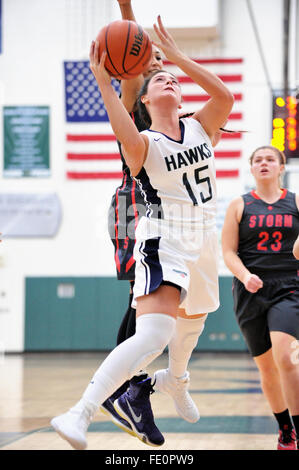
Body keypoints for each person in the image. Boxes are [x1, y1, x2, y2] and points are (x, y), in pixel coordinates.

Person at [51, 15, 234, 450]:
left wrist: (176, 56)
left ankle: (176, 379)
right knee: (154, 334)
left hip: (204, 236)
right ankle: (81, 412)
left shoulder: (202, 126)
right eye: (159, 80)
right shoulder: (143, 144)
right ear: (147, 99)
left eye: (174, 80)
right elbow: (122, 124)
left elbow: (224, 94)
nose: (168, 81)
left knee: (196, 321)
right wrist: (104, 83)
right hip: (163, 237)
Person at [100, 0, 223, 447]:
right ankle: (128, 391)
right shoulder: (137, 97)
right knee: (149, 301)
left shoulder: (184, 121)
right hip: (137, 208)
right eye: (147, 58)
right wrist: (126, 8)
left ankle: (139, 387)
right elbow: (130, 56)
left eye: (156, 58)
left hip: (184, 217)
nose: (155, 61)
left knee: (169, 310)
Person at [221, 145, 299, 450]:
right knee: (267, 367)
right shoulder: (239, 205)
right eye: (258, 160)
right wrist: (244, 276)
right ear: (251, 168)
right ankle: (285, 431)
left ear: (281, 168)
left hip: (289, 286)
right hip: (250, 288)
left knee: (286, 357)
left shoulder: (294, 202)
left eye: (270, 159)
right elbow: (228, 251)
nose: (263, 163)